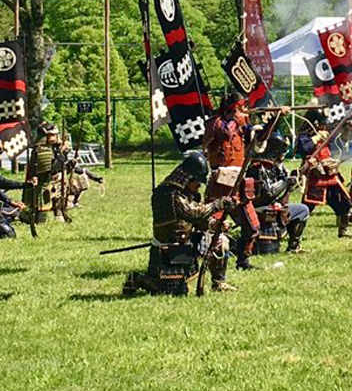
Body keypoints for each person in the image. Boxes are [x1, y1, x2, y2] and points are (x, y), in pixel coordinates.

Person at [122, 151, 235, 296]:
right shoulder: (168, 194)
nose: (198, 187)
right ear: (189, 179)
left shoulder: (187, 193)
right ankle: (137, 279)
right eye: (197, 182)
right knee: (167, 291)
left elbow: (198, 220)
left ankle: (218, 282)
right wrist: (218, 204)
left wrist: (214, 224)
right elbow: (194, 212)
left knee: (221, 241)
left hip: (188, 242)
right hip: (168, 248)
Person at [204, 92, 259, 270]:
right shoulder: (216, 123)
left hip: (239, 181)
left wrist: (276, 118)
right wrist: (238, 120)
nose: (245, 111)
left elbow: (260, 137)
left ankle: (243, 261)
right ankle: (210, 261)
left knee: (253, 226)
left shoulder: (241, 125)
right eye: (242, 107)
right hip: (221, 183)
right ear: (235, 107)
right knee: (213, 225)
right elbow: (225, 132)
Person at [247, 130, 309, 254]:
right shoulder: (259, 167)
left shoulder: (275, 166)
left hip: (274, 204)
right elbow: (268, 192)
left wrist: (302, 171)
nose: (282, 155)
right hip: (260, 207)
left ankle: (293, 246)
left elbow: (287, 187)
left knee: (302, 210)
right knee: (268, 251)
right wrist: (286, 181)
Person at [297, 114, 352, 239]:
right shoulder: (305, 136)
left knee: (344, 202)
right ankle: (295, 237)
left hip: (330, 173)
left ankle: (343, 231)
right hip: (315, 174)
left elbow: (339, 143)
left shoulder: (329, 134)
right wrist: (316, 137)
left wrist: (346, 130)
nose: (324, 126)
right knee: (306, 208)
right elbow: (302, 149)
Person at [22, 123, 62, 224]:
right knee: (42, 202)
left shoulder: (53, 148)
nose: (54, 137)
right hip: (42, 181)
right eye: (51, 135)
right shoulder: (42, 150)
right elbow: (48, 169)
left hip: (51, 181)